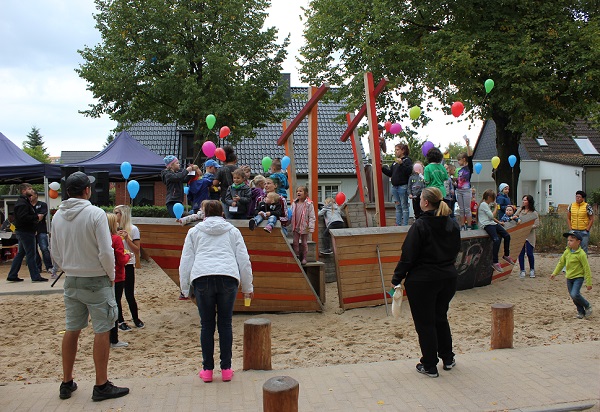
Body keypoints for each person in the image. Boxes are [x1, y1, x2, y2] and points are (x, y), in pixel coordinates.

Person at [50, 171, 129, 401]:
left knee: (72, 328)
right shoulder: (95, 213)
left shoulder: (58, 216)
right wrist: (110, 274)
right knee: (102, 329)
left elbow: (54, 251)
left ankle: (66, 381)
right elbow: (105, 251)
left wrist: (68, 266)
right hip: (96, 278)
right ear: (87, 190)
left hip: (72, 278)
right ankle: (101, 384)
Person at [179, 200, 253, 383]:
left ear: (204, 214)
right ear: (222, 213)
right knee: (225, 324)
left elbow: (186, 260)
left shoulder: (194, 231)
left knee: (207, 325)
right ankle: (226, 369)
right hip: (228, 276)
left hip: (202, 277)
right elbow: (244, 259)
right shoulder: (233, 231)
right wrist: (248, 286)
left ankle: (208, 370)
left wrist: (184, 288)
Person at [391, 187, 461, 378]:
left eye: (421, 198)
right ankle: (448, 357)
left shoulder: (420, 225)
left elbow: (408, 254)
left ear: (426, 202)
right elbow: (457, 249)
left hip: (424, 280)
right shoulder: (451, 224)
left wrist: (397, 278)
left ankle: (429, 364)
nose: (419, 201)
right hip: (448, 277)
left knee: (425, 323)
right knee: (440, 316)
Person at [7, 183, 48, 282]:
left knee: (21, 253)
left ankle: (12, 274)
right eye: (29, 188)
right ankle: (35, 276)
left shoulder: (24, 202)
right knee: (31, 254)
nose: (32, 190)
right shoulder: (22, 203)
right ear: (24, 191)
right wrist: (36, 217)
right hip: (26, 231)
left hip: (24, 231)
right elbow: (23, 218)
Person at [114, 205, 143, 331]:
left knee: (129, 293)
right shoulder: (113, 228)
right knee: (117, 295)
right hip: (117, 264)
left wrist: (127, 238)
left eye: (117, 213)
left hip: (128, 263)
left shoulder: (133, 229)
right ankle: (120, 321)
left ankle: (136, 318)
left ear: (123, 214)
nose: (115, 215)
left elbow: (137, 250)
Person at [551, 231, 592, 319]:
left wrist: (589, 282)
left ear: (578, 242)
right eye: (568, 240)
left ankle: (587, 305)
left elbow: (586, 268)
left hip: (578, 277)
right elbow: (561, 263)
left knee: (575, 294)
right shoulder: (567, 252)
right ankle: (580, 311)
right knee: (573, 296)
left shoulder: (581, 254)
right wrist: (555, 273)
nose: (569, 242)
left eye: (572, 240)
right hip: (569, 277)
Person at [106, 212, 132, 349]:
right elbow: (121, 260)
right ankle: (113, 339)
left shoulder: (100, 238)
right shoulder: (116, 239)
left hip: (103, 276)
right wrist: (128, 256)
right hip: (117, 276)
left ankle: (107, 337)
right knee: (115, 306)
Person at [479, 189, 516, 273]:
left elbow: (490, 217)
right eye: (493, 198)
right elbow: (492, 216)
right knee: (496, 240)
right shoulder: (484, 204)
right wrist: (496, 207)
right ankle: (495, 261)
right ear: (489, 197)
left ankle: (506, 255)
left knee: (507, 236)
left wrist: (499, 222)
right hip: (486, 224)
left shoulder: (486, 205)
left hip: (492, 223)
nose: (493, 201)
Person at [382, 143, 413, 226]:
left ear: (403, 151)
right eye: (395, 150)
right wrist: (382, 168)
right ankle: (398, 224)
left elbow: (408, 171)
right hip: (394, 187)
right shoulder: (395, 162)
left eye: (397, 150)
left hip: (402, 186)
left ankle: (405, 224)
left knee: (404, 206)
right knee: (397, 207)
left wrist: (402, 164)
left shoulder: (407, 160)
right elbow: (390, 173)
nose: (395, 151)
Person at [515, 195, 539, 279]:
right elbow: (515, 218)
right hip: (521, 235)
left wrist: (528, 227)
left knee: (529, 253)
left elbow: (537, 224)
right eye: (523, 200)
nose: (524, 202)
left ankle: (532, 269)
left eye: (525, 200)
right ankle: (522, 270)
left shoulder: (534, 212)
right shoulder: (520, 211)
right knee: (520, 253)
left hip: (530, 235)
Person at [291, 186, 315, 265]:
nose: (298, 192)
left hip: (304, 226)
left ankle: (304, 257)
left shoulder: (309, 204)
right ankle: (297, 256)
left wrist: (311, 227)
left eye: (300, 191)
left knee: (304, 243)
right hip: (296, 226)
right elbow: (290, 214)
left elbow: (312, 216)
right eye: (297, 191)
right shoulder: (294, 203)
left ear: (306, 193)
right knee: (295, 242)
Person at [30, 190, 53, 273]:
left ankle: (49, 267)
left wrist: (31, 218)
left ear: (36, 195)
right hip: (31, 231)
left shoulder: (42, 205)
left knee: (44, 249)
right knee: (34, 250)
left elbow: (41, 217)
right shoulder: (27, 205)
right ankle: (38, 267)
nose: (30, 197)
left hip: (41, 230)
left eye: (31, 195)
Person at [214, 145, 238, 218]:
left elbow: (215, 183)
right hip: (237, 196)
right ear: (235, 160)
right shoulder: (238, 170)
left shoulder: (221, 170)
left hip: (225, 196)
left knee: (228, 218)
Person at [455, 140, 474, 230]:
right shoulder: (459, 170)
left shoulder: (469, 167)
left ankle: (469, 225)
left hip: (466, 190)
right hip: (459, 190)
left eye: (459, 159)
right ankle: (462, 225)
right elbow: (459, 181)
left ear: (464, 159)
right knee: (461, 209)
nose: (458, 161)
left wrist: (468, 145)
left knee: (467, 209)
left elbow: (470, 156)